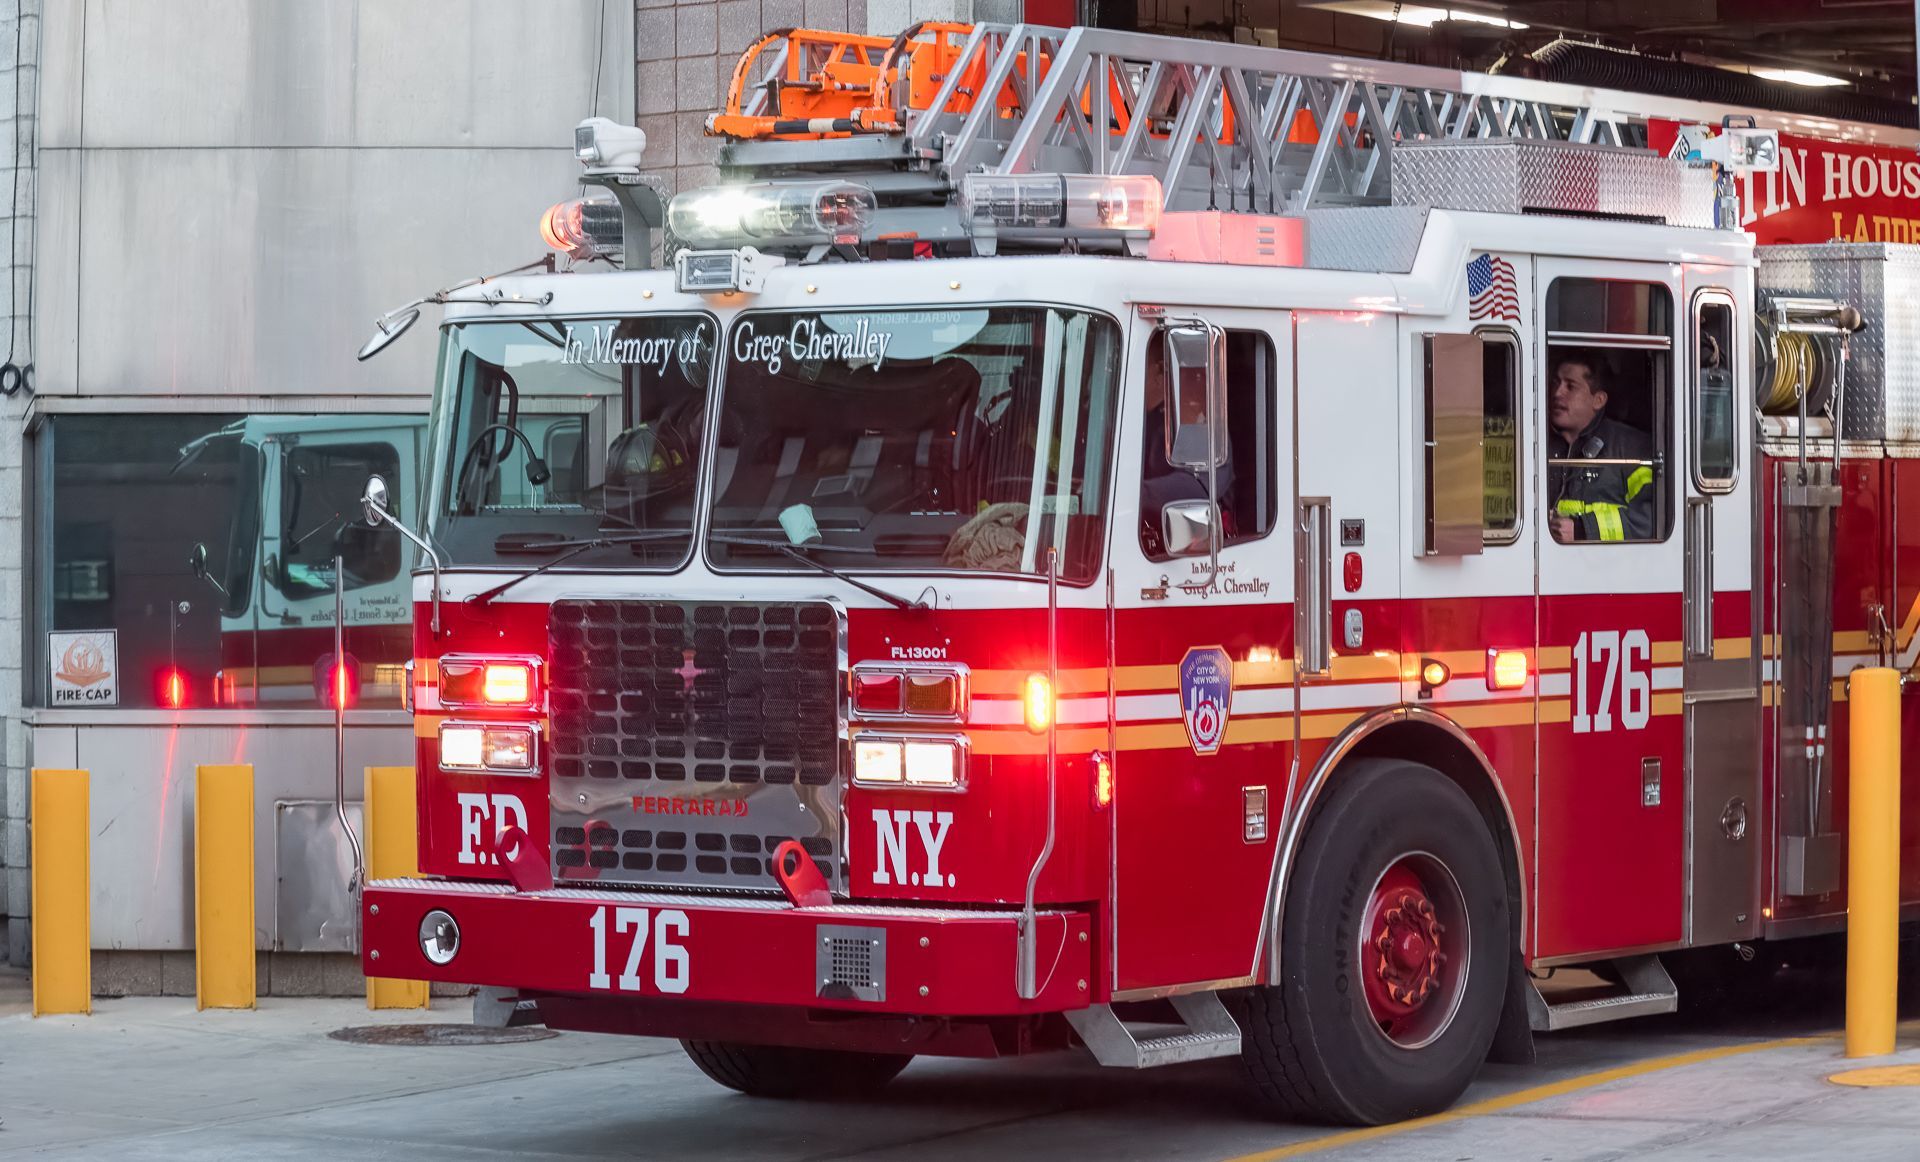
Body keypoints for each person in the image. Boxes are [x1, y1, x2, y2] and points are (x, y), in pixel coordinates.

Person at [1546, 350, 1656, 543]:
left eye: (1570, 386)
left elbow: (1651, 520)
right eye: (1555, 383)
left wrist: (1583, 530)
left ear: (1598, 400)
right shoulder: (1534, 444)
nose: (1557, 393)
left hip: (1607, 567)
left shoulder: (1632, 449)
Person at [1140, 335, 1235, 555]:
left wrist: (1132, 494)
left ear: (1160, 373)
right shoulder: (1141, 422)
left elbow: (1202, 489)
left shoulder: (1197, 422)